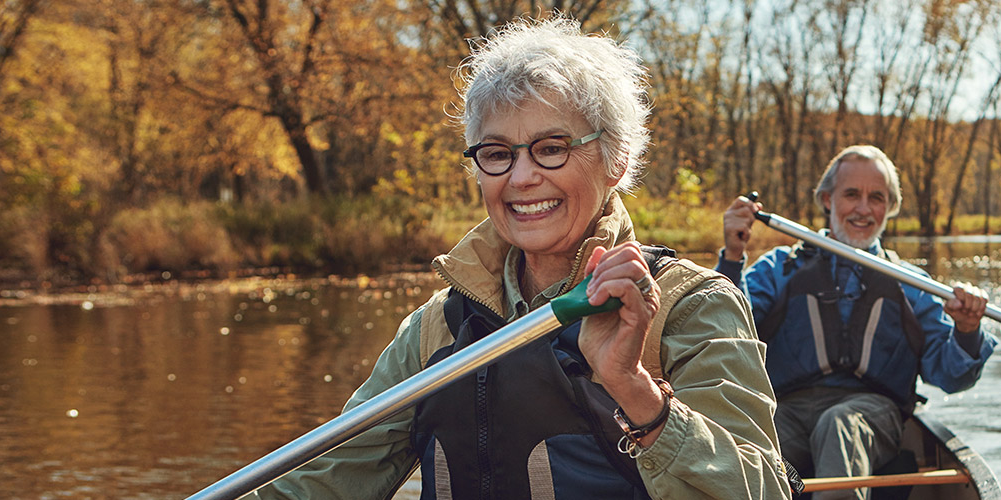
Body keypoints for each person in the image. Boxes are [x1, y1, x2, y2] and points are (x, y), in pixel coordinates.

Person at [248, 17, 788, 499]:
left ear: (616, 159)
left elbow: (762, 488)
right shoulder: (436, 326)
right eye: (498, 153)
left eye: (552, 147)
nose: (522, 176)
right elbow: (326, 479)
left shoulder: (692, 306)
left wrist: (634, 390)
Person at [717, 145, 996, 500]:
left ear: (889, 208)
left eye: (876, 198)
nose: (864, 209)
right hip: (788, 409)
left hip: (874, 413)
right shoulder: (778, 268)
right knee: (750, 448)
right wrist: (732, 257)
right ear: (828, 199)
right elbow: (727, 335)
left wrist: (967, 330)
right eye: (852, 194)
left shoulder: (911, 284)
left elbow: (952, 375)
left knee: (840, 424)